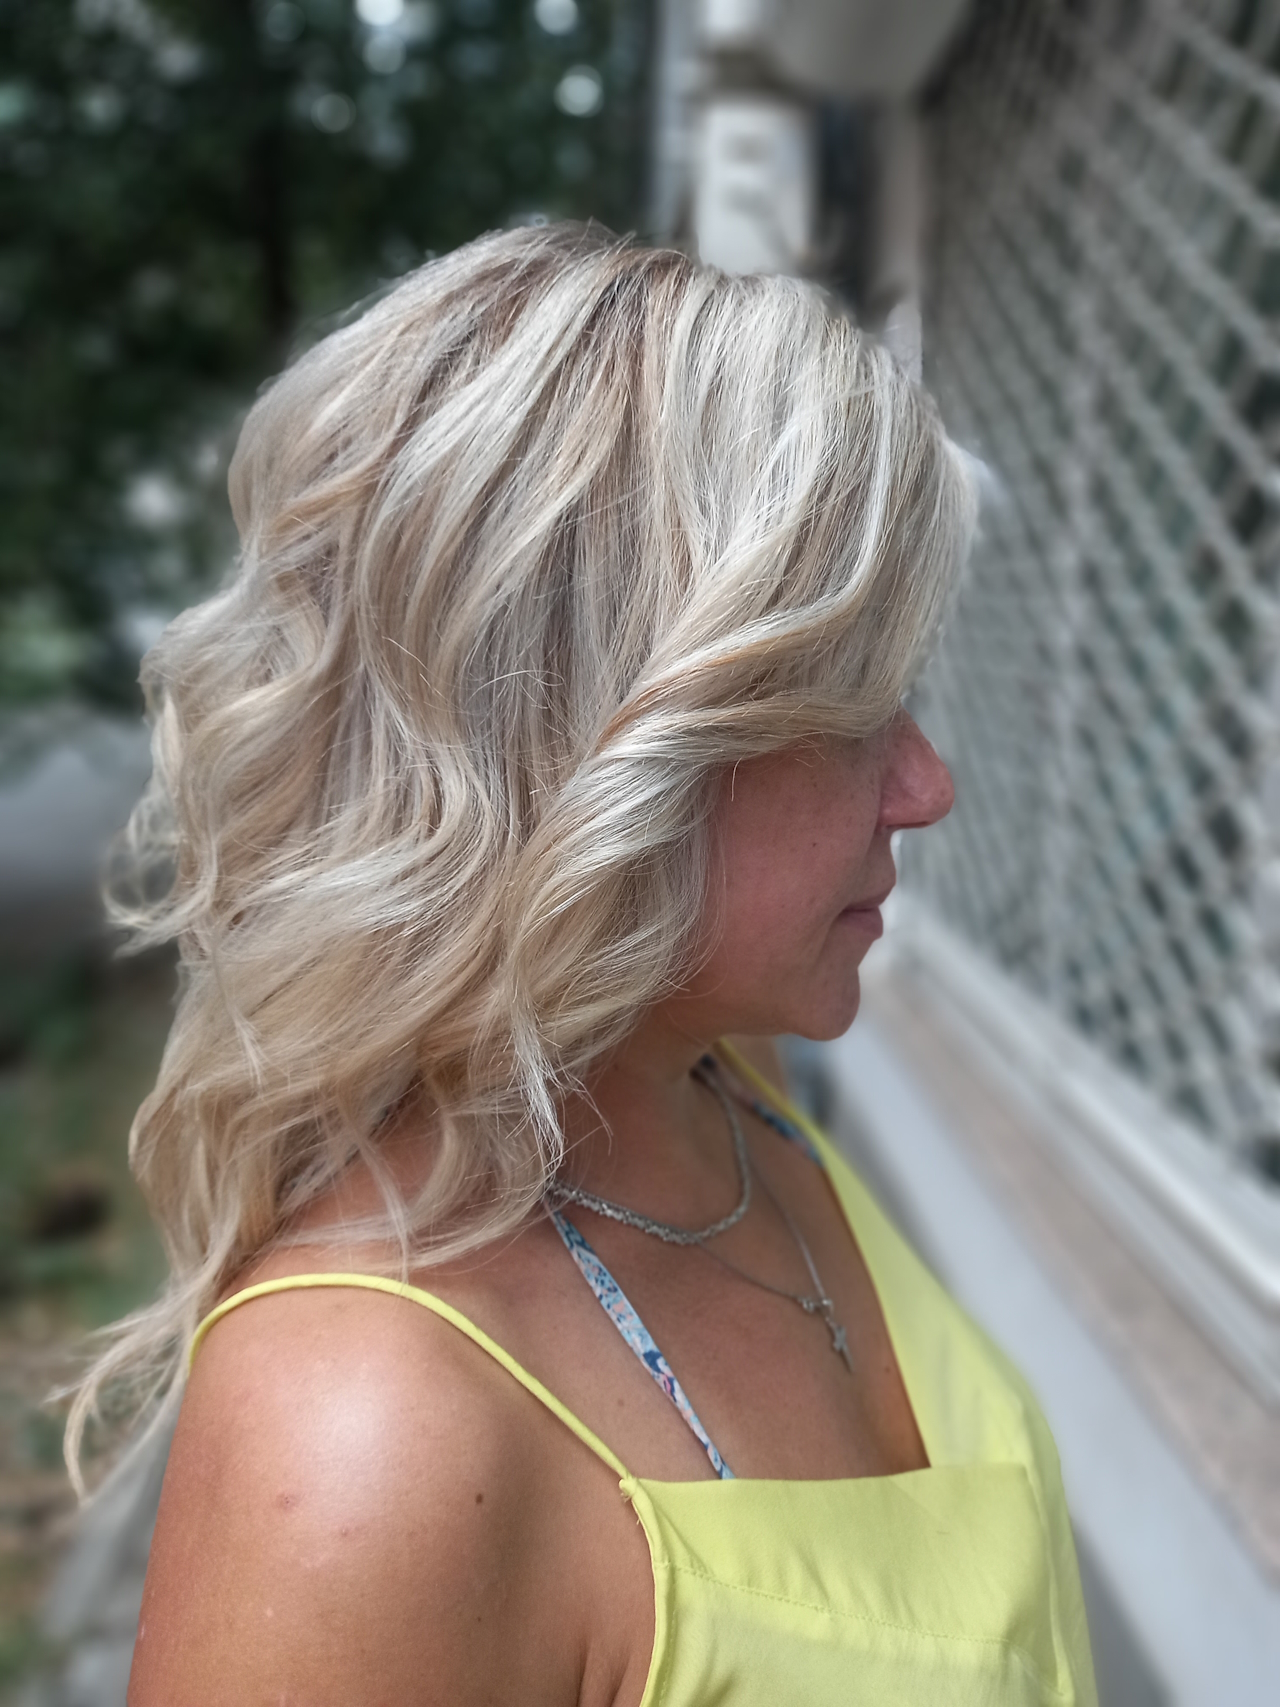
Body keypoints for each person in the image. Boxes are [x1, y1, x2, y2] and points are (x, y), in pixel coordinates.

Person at [76, 224, 1097, 1705]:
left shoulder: (718, 1088)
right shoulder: (369, 1439)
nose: (926, 787)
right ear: (573, 737)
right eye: (851, 705)